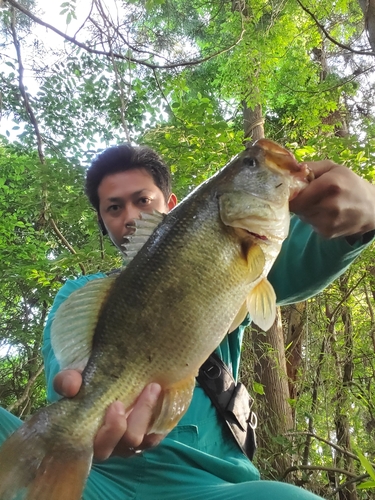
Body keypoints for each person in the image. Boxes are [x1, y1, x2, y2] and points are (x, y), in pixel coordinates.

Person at [0, 143, 374, 500]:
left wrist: (368, 214)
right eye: (114, 208)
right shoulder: (83, 292)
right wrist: (84, 400)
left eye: (142, 200)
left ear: (171, 205)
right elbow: (69, 372)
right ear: (103, 222)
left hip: (212, 486)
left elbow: (309, 257)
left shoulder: (244, 258)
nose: (130, 216)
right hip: (100, 480)